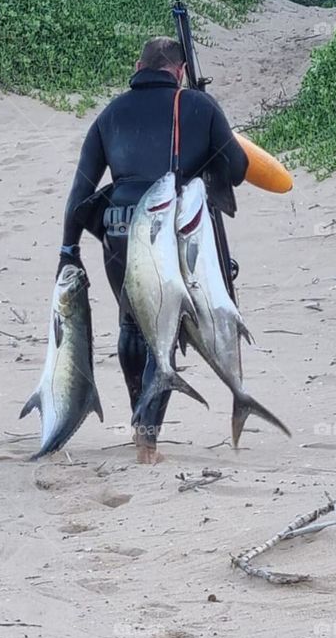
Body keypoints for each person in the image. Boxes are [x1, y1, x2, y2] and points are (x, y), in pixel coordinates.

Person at [59, 36, 249, 463]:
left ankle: (139, 420)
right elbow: (236, 171)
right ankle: (147, 440)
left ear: (138, 66)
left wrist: (67, 250)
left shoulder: (111, 114)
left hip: (117, 230)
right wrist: (211, 135)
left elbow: (81, 191)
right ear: (179, 71)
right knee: (167, 331)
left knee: (132, 325)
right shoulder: (200, 106)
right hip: (170, 234)